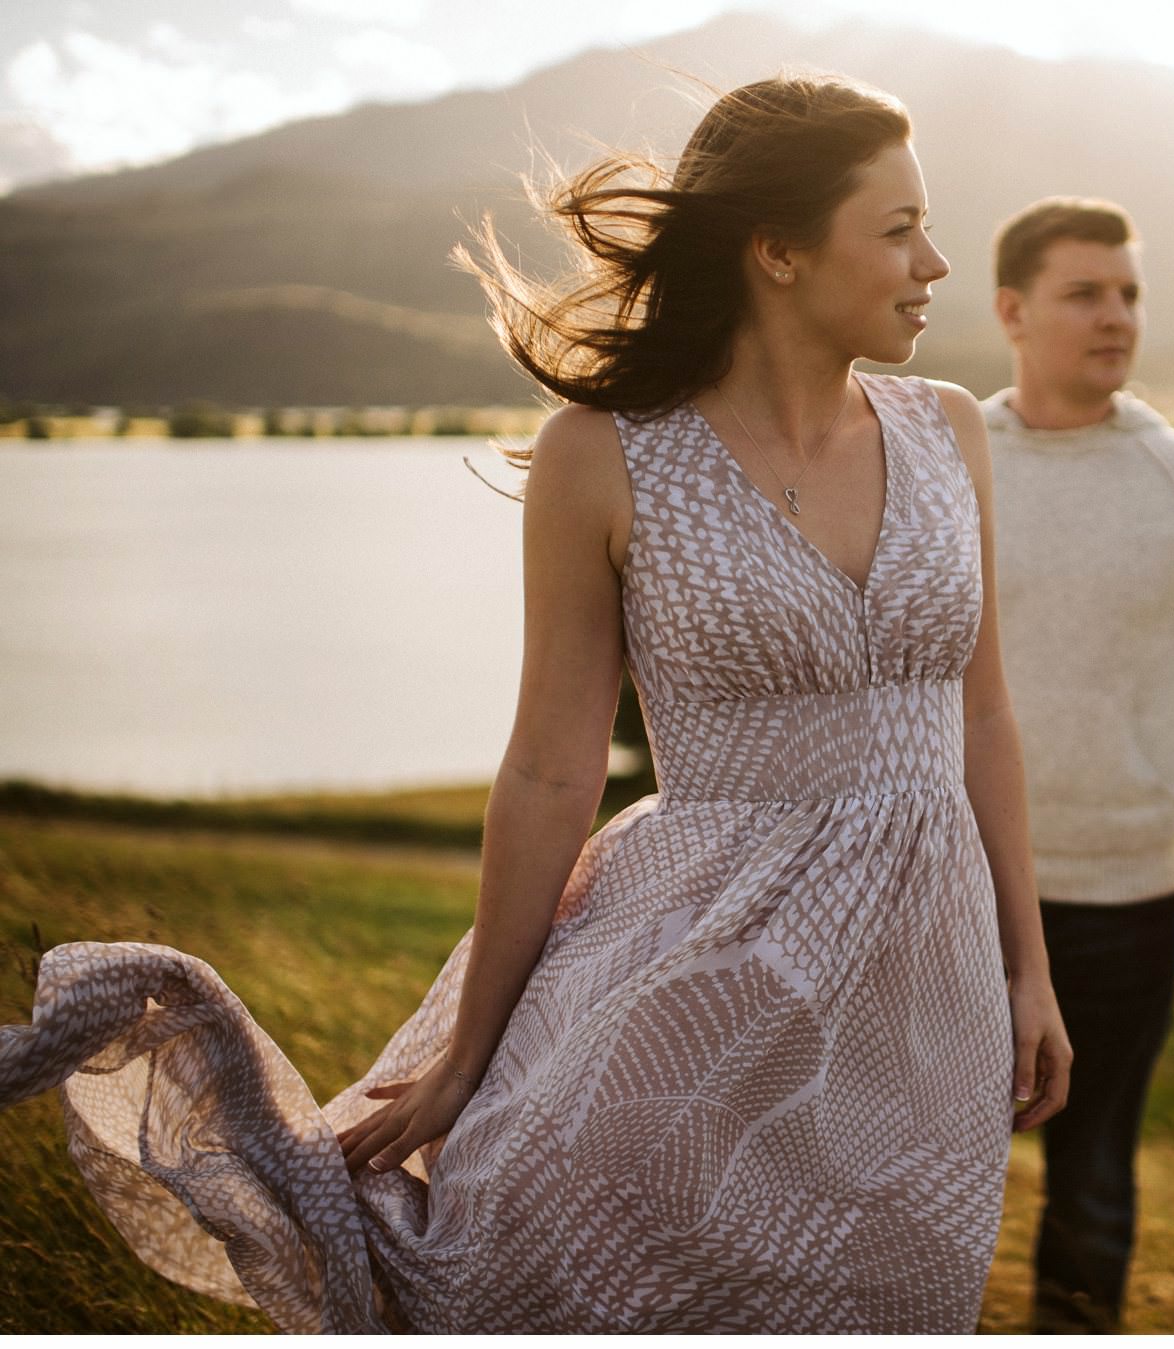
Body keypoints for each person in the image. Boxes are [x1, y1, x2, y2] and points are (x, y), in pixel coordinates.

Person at [0, 75, 1070, 1334]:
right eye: (896, 228)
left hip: (922, 987)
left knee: (895, 1296)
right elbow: (552, 770)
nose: (932, 261)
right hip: (705, 961)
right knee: (553, 1232)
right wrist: (467, 1055)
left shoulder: (947, 430)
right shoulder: (603, 454)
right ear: (776, 250)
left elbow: (982, 718)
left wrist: (1027, 963)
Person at [981, 198, 1174, 1332]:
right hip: (954, 891)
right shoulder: (939, 462)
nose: (1116, 316)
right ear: (1011, 309)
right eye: (1084, 292)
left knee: (1095, 1182)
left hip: (1125, 904)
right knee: (912, 1172)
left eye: (1128, 292)